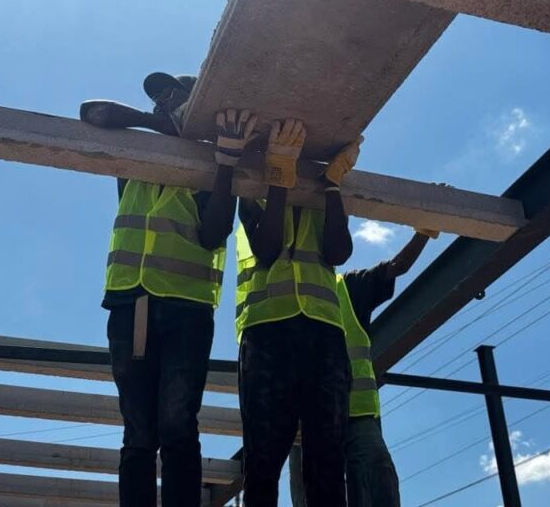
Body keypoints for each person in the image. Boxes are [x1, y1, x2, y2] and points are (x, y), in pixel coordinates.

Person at [80, 73, 257, 507]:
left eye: (173, 95)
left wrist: (225, 164)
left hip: (186, 307)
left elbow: (214, 233)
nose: (162, 101)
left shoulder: (213, 160)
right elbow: (92, 112)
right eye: (158, 97)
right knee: (139, 433)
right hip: (130, 302)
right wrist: (157, 123)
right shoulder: (138, 149)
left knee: (177, 426)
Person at [235, 119, 363, 507]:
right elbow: (267, 249)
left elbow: (338, 252)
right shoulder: (252, 189)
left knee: (327, 460)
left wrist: (332, 186)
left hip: (323, 334)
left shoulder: (320, 197)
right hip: (268, 332)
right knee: (263, 459)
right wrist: (278, 179)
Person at [288, 229, 437, 507]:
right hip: (306, 420)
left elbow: (397, 267)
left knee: (377, 477)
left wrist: (424, 232)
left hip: (354, 414)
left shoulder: (348, 287)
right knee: (315, 492)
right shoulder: (287, 295)